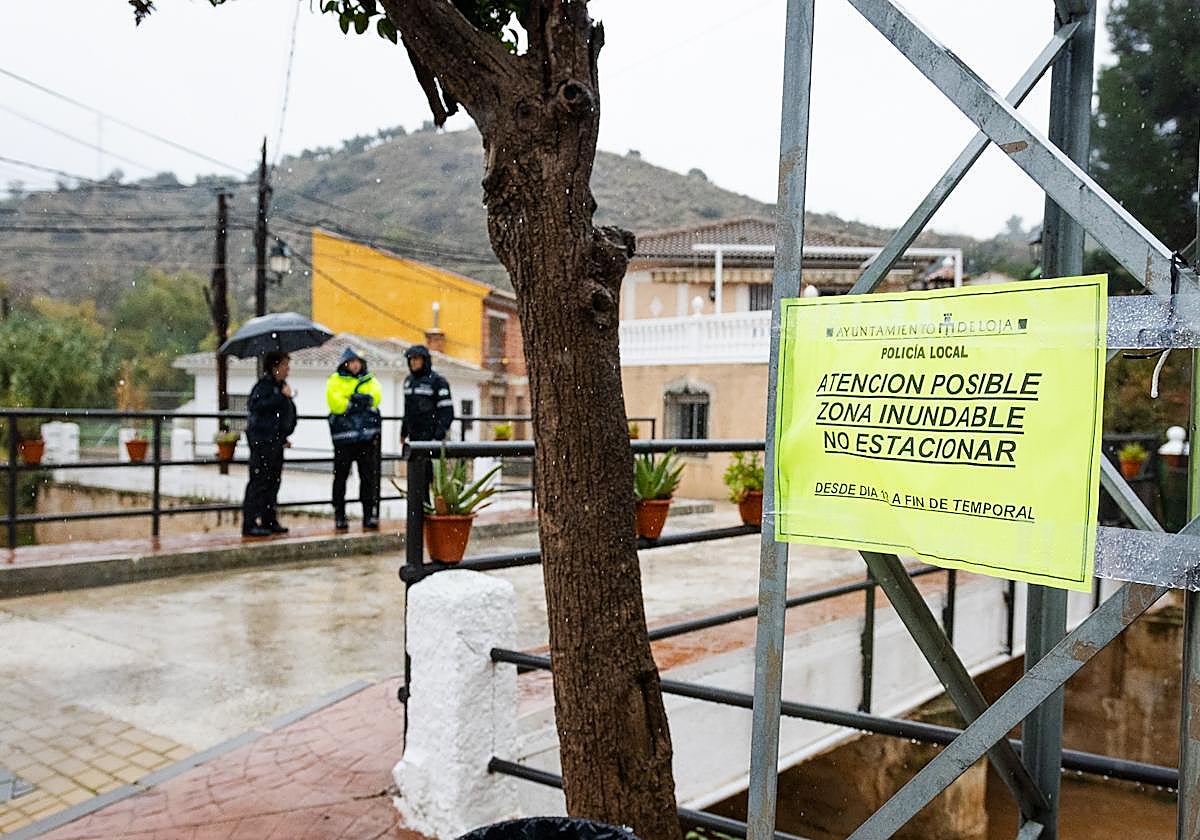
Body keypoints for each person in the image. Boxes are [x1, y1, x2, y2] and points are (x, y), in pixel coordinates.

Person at [326, 346, 383, 530]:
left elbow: (376, 398)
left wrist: (353, 400)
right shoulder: (335, 380)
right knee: (341, 477)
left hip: (365, 439)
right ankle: (339, 515)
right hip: (344, 439)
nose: (355, 365)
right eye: (351, 362)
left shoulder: (370, 379)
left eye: (358, 362)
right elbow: (336, 404)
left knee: (367, 477)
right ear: (345, 363)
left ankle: (368, 514)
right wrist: (358, 402)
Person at [242, 351, 296, 537]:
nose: (287, 370)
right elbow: (258, 407)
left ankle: (269, 519)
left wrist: (283, 435)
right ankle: (250, 523)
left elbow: (284, 414)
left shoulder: (279, 387)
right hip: (262, 441)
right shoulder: (264, 387)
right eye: (285, 365)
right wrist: (281, 396)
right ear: (275, 367)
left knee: (273, 482)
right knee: (259, 481)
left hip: (275, 441)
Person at [400, 344, 454, 447]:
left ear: (424, 360)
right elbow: (407, 410)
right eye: (410, 359)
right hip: (413, 437)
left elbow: (447, 412)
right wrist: (403, 433)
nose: (412, 362)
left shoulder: (438, 381)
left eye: (416, 358)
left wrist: (437, 436)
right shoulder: (409, 381)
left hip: (432, 438)